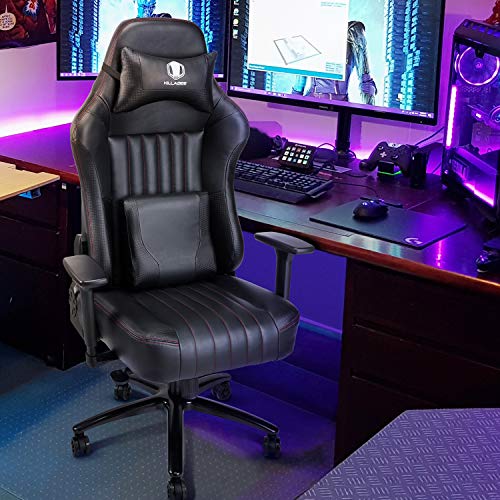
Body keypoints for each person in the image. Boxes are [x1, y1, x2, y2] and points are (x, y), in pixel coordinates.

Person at [292, 21, 377, 105]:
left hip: (333, 105)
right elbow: (300, 80)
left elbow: (365, 79)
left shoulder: (352, 31)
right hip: (319, 104)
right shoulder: (312, 35)